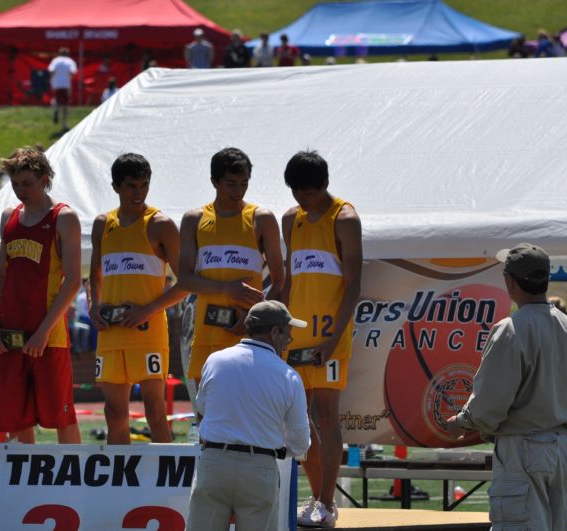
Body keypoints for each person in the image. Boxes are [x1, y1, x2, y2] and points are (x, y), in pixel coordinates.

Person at [446, 243, 567, 531]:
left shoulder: (510, 329)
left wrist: (462, 421)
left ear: (510, 282)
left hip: (525, 449)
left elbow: (491, 402)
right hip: (565, 449)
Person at [281, 151, 362, 528]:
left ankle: (327, 503)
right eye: (296, 193)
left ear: (325, 185)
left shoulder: (344, 218)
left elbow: (353, 285)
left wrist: (332, 338)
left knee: (327, 418)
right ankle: (315, 497)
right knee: (298, 420)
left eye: (308, 193)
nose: (302, 200)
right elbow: (289, 280)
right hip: (295, 334)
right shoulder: (289, 220)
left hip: (329, 337)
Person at [187, 300, 310, 531]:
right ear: (275, 332)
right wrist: (283, 450)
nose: (287, 341)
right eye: (287, 334)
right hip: (260, 467)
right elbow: (301, 441)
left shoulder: (215, 360)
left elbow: (203, 407)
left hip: (214, 462)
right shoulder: (288, 375)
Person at [89, 153, 186, 444]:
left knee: (155, 411)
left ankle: (166, 483)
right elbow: (94, 274)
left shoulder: (160, 224)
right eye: (132, 186)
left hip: (148, 332)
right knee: (114, 412)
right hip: (111, 332)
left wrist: (147, 310)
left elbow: (187, 283)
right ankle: (120, 483)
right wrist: (94, 306)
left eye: (144, 185)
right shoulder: (102, 224)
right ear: (116, 186)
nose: (139, 192)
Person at [0, 147, 81, 443]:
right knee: (17, 421)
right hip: (10, 333)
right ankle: (26, 489)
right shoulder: (9, 217)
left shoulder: (63, 218)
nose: (20, 191)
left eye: (27, 183)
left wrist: (43, 332)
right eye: (15, 184)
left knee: (62, 417)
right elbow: (0, 275)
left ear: (45, 179)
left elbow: (73, 282)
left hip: (48, 336)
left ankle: (77, 487)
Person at [178, 147, 284, 389]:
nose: (239, 191)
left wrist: (253, 317)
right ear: (214, 182)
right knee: (207, 412)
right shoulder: (194, 219)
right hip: (206, 332)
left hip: (250, 334)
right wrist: (226, 288)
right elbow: (184, 279)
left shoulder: (262, 218)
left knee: (247, 409)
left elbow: (279, 282)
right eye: (231, 184)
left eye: (244, 183)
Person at [48, 47, 78, 130]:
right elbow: (73, 72)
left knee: (57, 100)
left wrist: (52, 80)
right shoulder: (70, 61)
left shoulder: (55, 60)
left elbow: (51, 70)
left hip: (56, 84)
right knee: (65, 104)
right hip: (66, 84)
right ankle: (64, 123)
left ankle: (56, 110)